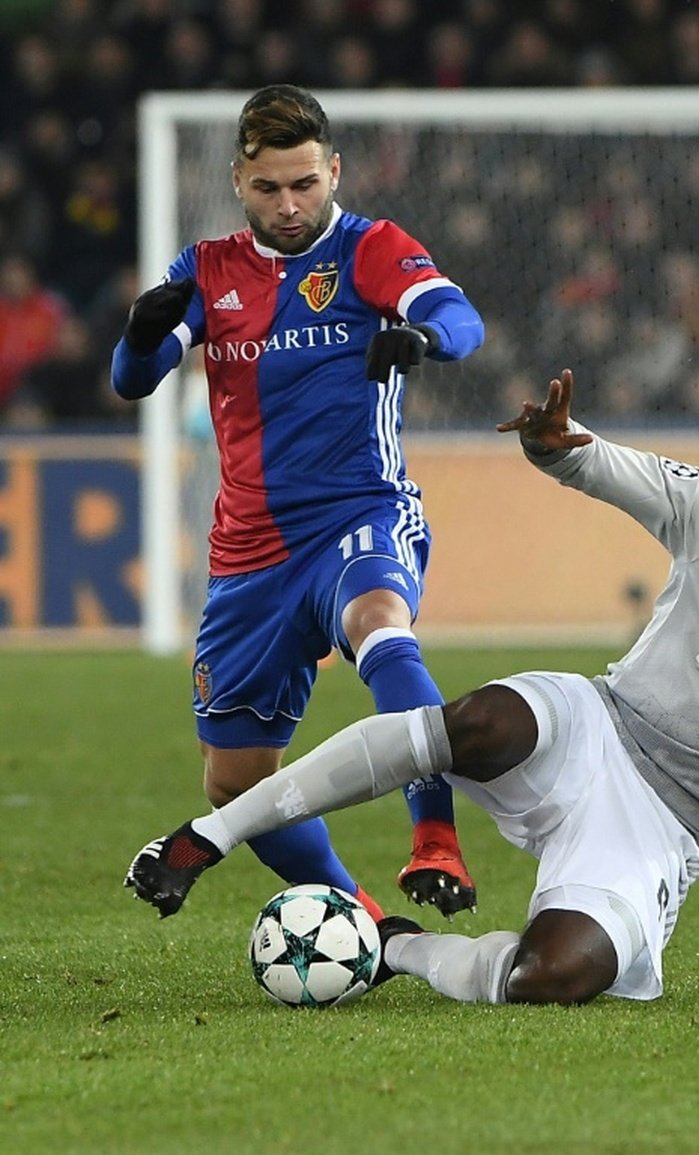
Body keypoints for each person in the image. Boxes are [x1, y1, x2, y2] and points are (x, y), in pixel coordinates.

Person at [125, 368, 699, 1007]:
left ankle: (387, 943)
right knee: (476, 721)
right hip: (595, 720)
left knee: (551, 976)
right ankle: (208, 835)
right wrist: (553, 444)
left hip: (664, 820)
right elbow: (600, 463)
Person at [112, 85, 485, 920]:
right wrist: (141, 335)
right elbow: (134, 381)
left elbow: (460, 319)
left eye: (306, 184)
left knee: (381, 623)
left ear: (334, 171)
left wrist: (422, 336)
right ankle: (368, 923)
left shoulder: (371, 249)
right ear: (239, 178)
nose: (290, 205)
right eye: (270, 188)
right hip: (250, 552)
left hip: (362, 510)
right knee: (236, 780)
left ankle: (436, 838)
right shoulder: (206, 270)